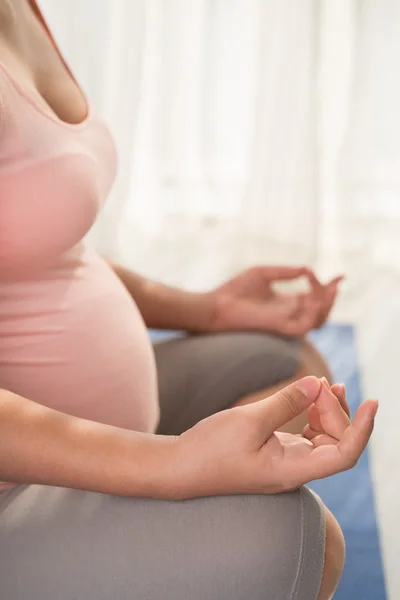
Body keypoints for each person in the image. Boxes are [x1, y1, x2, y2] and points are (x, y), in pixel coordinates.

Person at [0, 2, 377, 599]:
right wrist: (169, 468)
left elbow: (42, 249)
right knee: (301, 537)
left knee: (290, 365)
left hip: (104, 416)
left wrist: (212, 309)